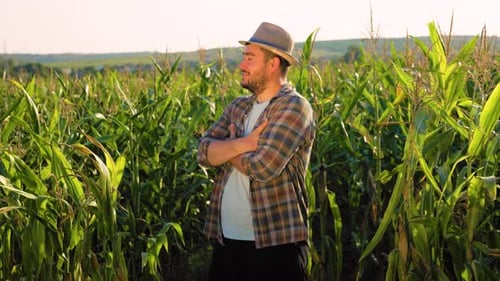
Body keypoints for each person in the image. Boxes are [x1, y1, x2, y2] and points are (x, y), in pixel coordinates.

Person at [197, 21, 315, 281]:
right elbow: (204, 153)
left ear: (273, 64)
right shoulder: (238, 107)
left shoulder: (295, 107)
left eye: (250, 58)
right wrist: (246, 143)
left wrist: (227, 149)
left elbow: (263, 168)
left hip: (275, 244)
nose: (242, 65)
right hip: (226, 239)